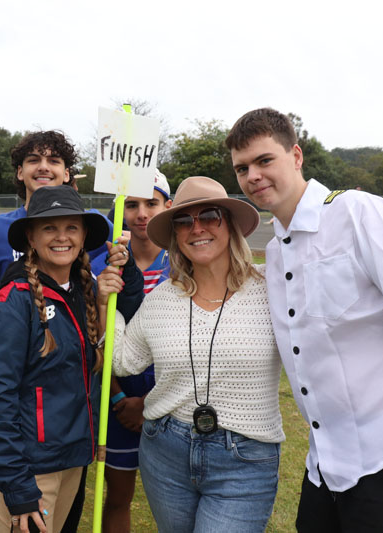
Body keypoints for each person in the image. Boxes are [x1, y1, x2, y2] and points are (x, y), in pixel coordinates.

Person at [227, 107, 383, 533]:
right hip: (327, 462)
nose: (253, 175)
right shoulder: (275, 252)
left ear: (296, 156)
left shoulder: (358, 212)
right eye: (242, 168)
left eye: (264, 160)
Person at [98, 176, 284, 532]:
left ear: (231, 225)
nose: (196, 228)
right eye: (183, 221)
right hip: (165, 452)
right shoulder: (161, 299)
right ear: (175, 235)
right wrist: (108, 305)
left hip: (245, 459)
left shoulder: (272, 288)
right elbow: (123, 361)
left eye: (210, 216)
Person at [0, 185, 142, 533]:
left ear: (83, 237)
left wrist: (125, 269)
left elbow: (129, 309)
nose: (62, 237)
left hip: (73, 459)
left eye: (71, 228)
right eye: (49, 227)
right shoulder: (13, 300)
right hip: (30, 468)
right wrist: (17, 484)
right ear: (31, 237)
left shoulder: (82, 290)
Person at [89, 169, 172, 533]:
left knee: (175, 503)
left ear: (167, 206)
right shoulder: (100, 268)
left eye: (151, 203)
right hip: (118, 402)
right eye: (132, 204)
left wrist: (150, 402)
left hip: (172, 401)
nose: (141, 214)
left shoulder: (182, 264)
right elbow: (95, 338)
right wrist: (120, 397)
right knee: (118, 498)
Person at [0, 130, 111, 285]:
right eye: (33, 160)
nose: (43, 167)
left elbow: (124, 254)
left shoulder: (92, 224)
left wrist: (121, 254)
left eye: (53, 161)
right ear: (20, 172)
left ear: (66, 174)